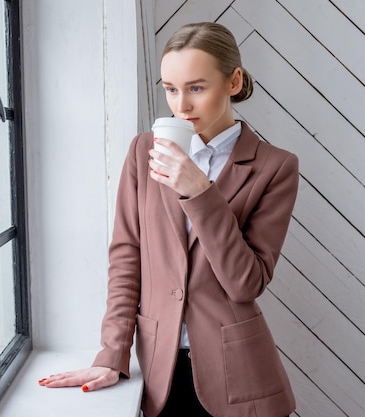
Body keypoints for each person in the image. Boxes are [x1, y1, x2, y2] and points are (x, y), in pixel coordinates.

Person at [39, 21, 298, 417]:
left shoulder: (274, 167)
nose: (181, 106)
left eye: (196, 88)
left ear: (233, 82)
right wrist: (113, 353)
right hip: (158, 373)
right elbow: (127, 258)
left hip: (239, 379)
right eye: (171, 89)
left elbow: (246, 283)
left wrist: (200, 192)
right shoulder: (144, 151)